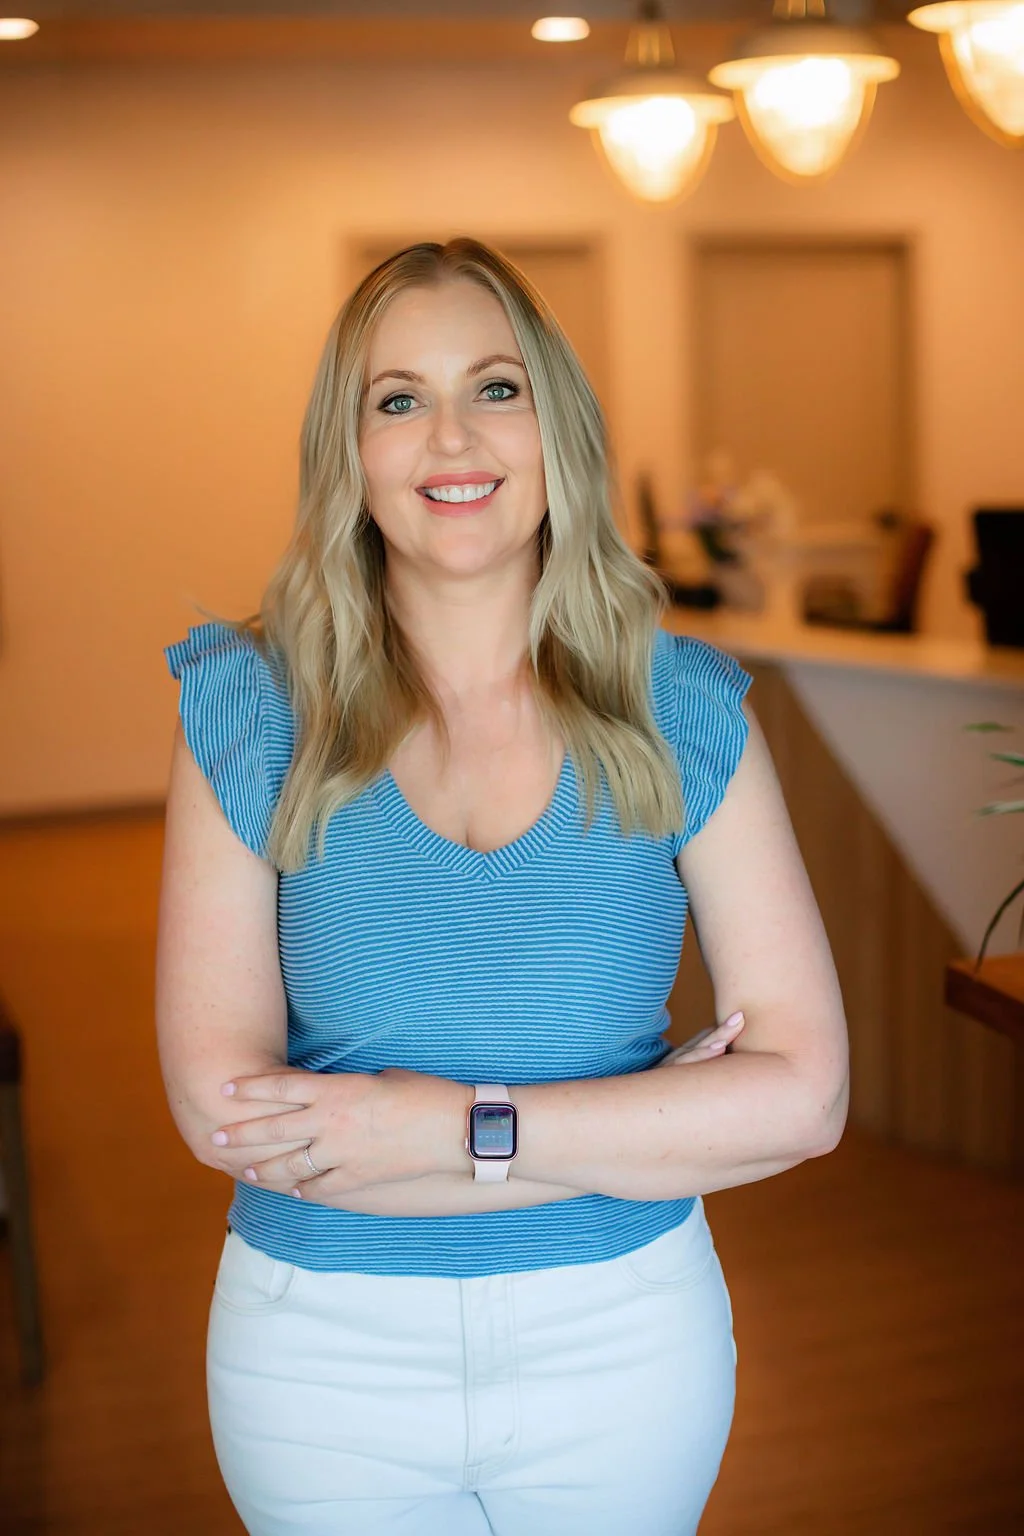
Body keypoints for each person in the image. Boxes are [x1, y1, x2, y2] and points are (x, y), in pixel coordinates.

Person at [155, 237, 849, 1536]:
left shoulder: (682, 710)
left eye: (496, 387)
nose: (452, 438)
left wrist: (434, 1128)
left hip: (626, 1343)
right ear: (350, 452)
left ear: (556, 429)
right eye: (398, 399)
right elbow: (228, 1118)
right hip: (321, 1362)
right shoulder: (250, 705)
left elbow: (806, 1100)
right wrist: (645, 1129)